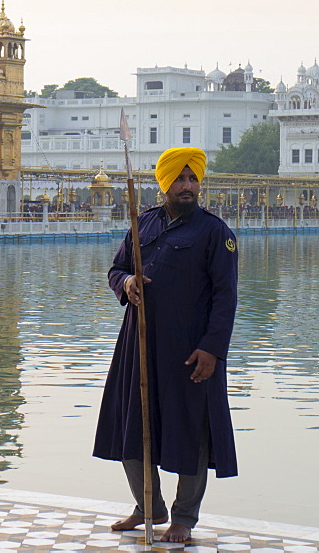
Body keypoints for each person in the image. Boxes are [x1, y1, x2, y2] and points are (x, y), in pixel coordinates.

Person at [93, 146, 238, 544]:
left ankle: (184, 517)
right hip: (139, 346)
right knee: (131, 425)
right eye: (180, 179)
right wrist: (126, 283)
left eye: (193, 179)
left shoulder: (214, 232)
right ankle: (148, 506)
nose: (187, 186)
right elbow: (116, 268)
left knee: (191, 432)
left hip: (190, 350)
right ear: (165, 183)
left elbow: (226, 297)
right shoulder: (143, 225)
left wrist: (212, 349)